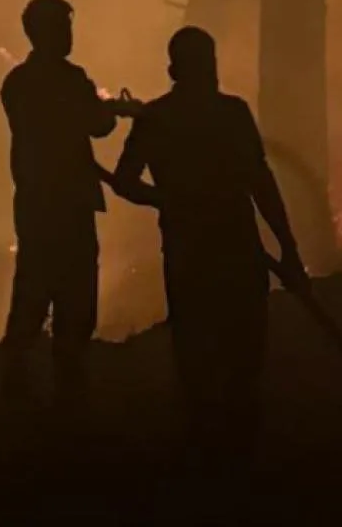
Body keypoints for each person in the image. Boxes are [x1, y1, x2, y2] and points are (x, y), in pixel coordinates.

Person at [110, 26, 306, 473]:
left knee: (198, 353)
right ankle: (235, 455)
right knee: (241, 355)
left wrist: (163, 199)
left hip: (189, 251)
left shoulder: (157, 119)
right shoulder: (231, 114)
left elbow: (123, 181)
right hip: (237, 249)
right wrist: (287, 247)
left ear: (172, 69)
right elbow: (261, 184)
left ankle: (206, 453)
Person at [0, 0, 117, 411]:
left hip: (33, 204)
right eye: (64, 28)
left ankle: (14, 386)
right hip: (69, 203)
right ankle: (70, 392)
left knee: (31, 290)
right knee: (75, 297)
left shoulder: (15, 83)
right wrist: (113, 112)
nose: (69, 35)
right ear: (47, 32)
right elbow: (97, 124)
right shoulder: (71, 80)